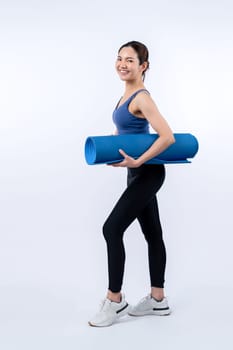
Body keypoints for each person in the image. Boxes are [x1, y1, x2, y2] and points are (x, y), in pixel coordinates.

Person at [89, 41, 175, 327]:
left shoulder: (142, 97)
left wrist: (138, 162)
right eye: (119, 58)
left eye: (130, 60)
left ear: (143, 66)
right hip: (137, 173)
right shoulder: (125, 95)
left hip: (148, 173)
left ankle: (115, 300)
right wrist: (117, 147)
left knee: (111, 228)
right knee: (153, 234)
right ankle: (158, 300)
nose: (122, 64)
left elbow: (167, 137)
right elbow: (129, 129)